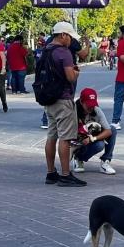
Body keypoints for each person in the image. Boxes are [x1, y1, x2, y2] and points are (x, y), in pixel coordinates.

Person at [43, 22, 85, 187]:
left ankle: (51, 172)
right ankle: (66, 175)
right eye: (69, 36)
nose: (70, 40)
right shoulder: (64, 52)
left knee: (51, 136)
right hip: (62, 98)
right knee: (65, 138)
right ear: (63, 35)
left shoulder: (46, 50)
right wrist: (76, 71)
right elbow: (70, 77)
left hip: (48, 99)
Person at [71, 88, 117, 175]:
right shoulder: (73, 111)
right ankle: (78, 158)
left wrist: (93, 138)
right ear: (81, 101)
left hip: (91, 137)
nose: (91, 107)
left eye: (93, 104)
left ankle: (105, 161)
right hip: (77, 140)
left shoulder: (96, 110)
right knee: (99, 145)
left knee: (113, 130)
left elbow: (108, 131)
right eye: (88, 105)